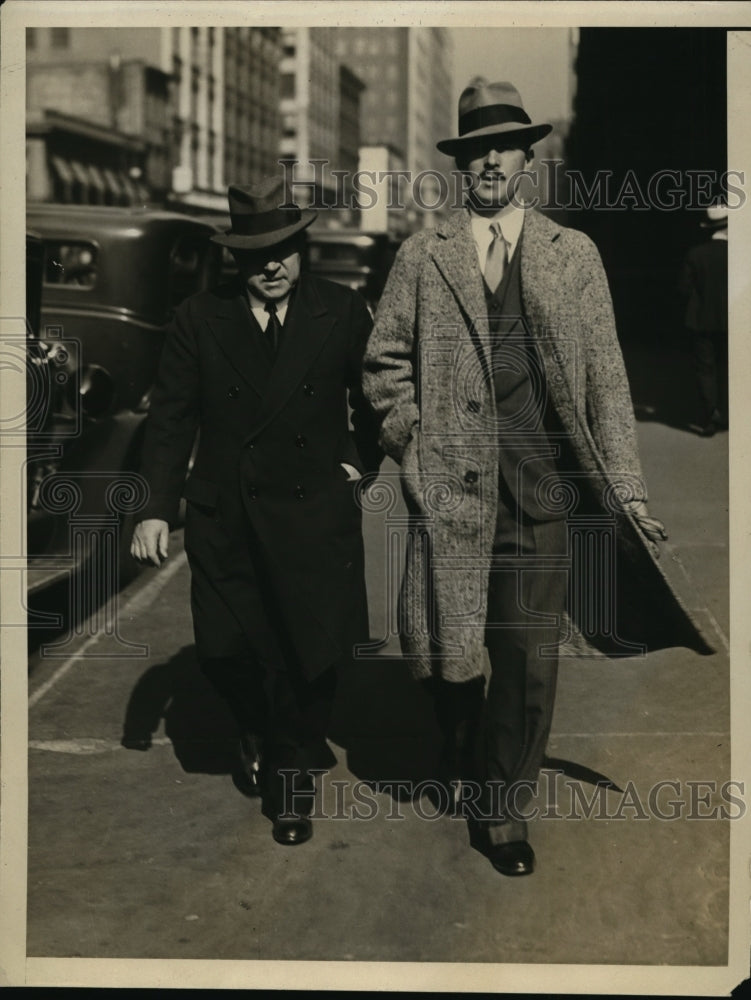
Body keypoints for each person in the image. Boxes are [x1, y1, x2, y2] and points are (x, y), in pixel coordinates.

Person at [363, 78, 713, 877]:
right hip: (449, 493)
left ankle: (501, 810)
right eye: (474, 148)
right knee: (451, 655)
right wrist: (410, 440)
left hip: (542, 498)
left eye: (503, 146)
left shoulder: (572, 256)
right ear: (460, 163)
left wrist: (627, 492)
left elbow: (606, 380)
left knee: (526, 663)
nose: (489, 160)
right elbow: (383, 362)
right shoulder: (423, 254)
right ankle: (458, 731)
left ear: (527, 157)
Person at [131, 175, 381, 846]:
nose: (270, 266)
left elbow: (377, 394)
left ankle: (290, 775)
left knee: (311, 654)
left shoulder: (342, 309)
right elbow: (171, 419)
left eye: (284, 250)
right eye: (253, 254)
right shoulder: (197, 318)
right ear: (233, 259)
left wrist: (360, 460)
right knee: (222, 651)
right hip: (225, 516)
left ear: (303, 250)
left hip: (313, 511)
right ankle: (256, 726)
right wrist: (154, 507)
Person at [680, 203, 728, 437]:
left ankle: (711, 416)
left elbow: (684, 289)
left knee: (706, 368)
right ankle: (729, 412)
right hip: (733, 320)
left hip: (702, 320)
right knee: (731, 366)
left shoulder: (696, 254)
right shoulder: (742, 253)